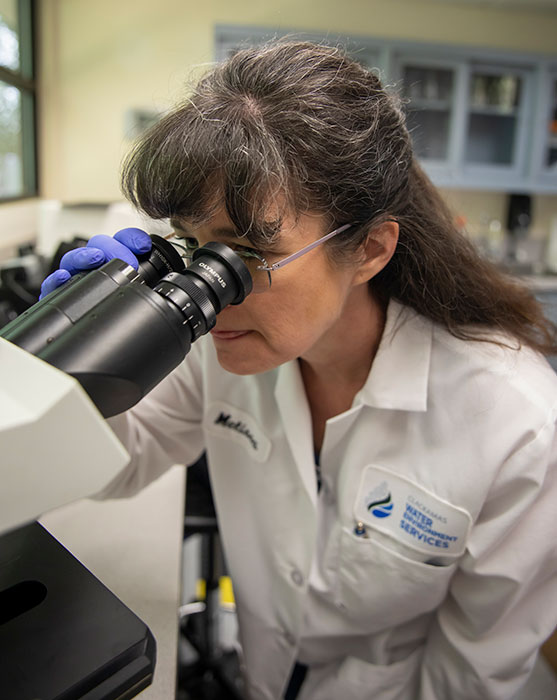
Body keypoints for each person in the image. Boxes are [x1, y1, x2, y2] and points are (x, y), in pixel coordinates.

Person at [41, 41, 557, 700]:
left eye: (248, 252)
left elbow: (470, 676)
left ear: (369, 247)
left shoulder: (518, 427)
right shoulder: (218, 347)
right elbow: (117, 463)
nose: (213, 288)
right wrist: (66, 368)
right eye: (192, 245)